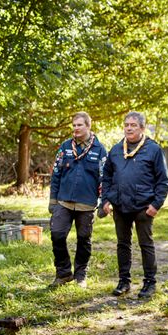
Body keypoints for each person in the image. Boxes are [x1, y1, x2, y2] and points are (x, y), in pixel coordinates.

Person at [101, 111, 168, 299]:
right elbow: (106, 177)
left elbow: (163, 181)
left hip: (143, 206)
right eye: (126, 125)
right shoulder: (115, 150)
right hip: (120, 205)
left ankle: (150, 283)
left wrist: (156, 205)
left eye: (133, 125)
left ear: (142, 128)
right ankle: (124, 282)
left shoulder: (153, 149)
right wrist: (106, 200)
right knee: (123, 244)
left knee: (145, 244)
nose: (129, 128)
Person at [48, 111, 107, 288]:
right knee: (57, 234)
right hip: (63, 201)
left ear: (88, 126)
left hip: (86, 204)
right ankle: (64, 273)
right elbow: (56, 173)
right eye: (73, 125)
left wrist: (103, 202)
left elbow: (105, 178)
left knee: (84, 240)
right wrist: (53, 200)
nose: (76, 128)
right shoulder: (65, 147)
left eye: (79, 125)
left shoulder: (100, 149)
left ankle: (81, 275)